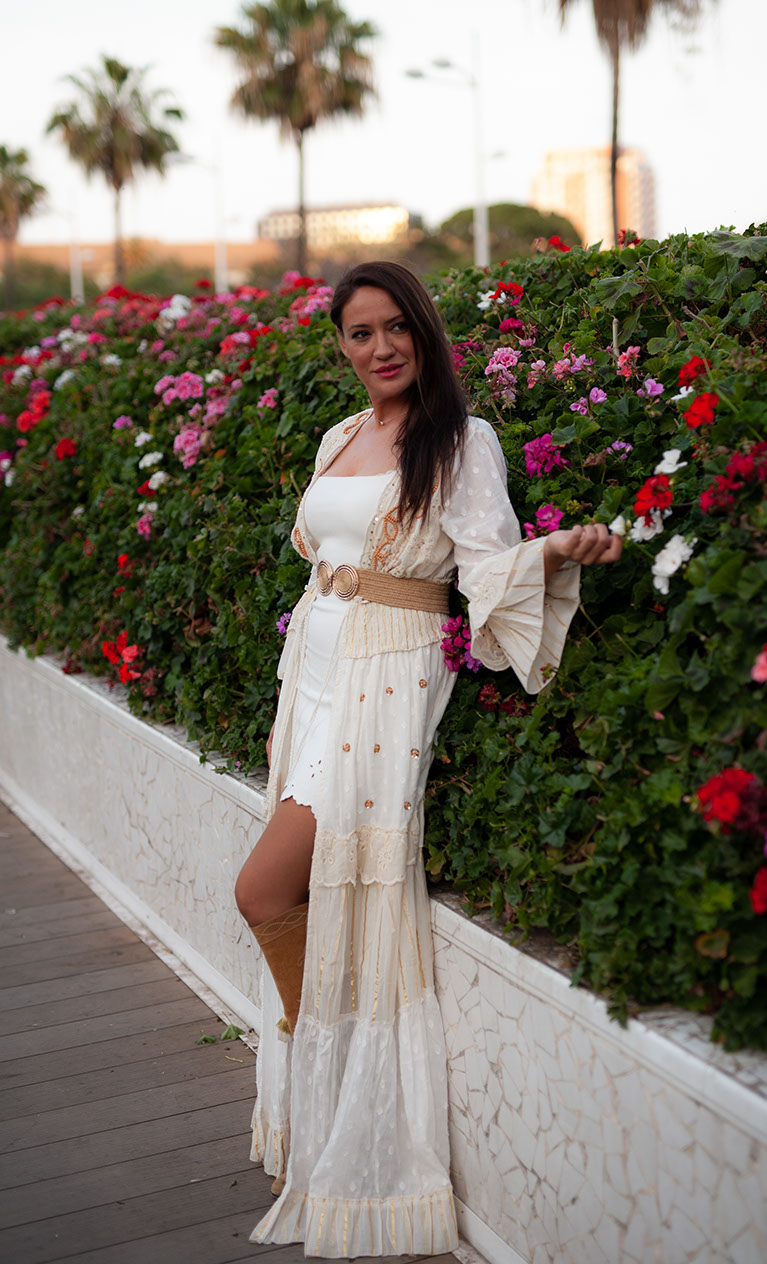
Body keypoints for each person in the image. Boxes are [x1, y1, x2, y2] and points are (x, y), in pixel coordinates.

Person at [235, 260, 622, 1258]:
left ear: (425, 331)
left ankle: (340, 1073)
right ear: (341, 346)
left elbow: (483, 561)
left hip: (385, 682)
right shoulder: (338, 436)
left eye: (395, 326)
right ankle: (324, 1090)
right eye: (359, 333)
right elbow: (317, 549)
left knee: (263, 889)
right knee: (303, 891)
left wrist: (555, 549)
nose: (380, 347)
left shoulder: (461, 438)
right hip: (312, 672)